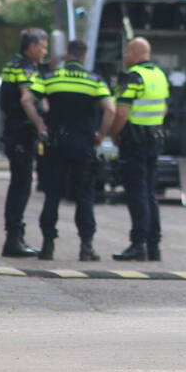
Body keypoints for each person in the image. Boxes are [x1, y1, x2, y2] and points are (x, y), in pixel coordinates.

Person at [22, 40, 114, 261]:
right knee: (84, 196)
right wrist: (100, 134)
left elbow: (26, 99)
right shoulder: (95, 81)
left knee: (52, 195)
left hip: (56, 143)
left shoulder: (50, 77)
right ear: (84, 57)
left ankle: (47, 246)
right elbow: (110, 109)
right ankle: (86, 247)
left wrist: (39, 125)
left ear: (66, 55)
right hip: (83, 144)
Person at [110, 37, 169, 262]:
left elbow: (122, 113)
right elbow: (163, 110)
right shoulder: (159, 75)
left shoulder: (132, 77)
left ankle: (137, 245)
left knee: (136, 193)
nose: (125, 56)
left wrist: (114, 134)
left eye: (126, 52)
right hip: (154, 139)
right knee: (150, 193)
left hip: (134, 141)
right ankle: (154, 246)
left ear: (134, 53)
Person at [0, 28, 48, 257]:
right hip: (21, 133)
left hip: (13, 131)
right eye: (43, 46)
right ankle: (13, 240)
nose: (45, 51)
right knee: (21, 185)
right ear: (31, 47)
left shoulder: (14, 64)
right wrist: (40, 125)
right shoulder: (26, 68)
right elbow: (27, 100)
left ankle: (15, 236)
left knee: (19, 184)